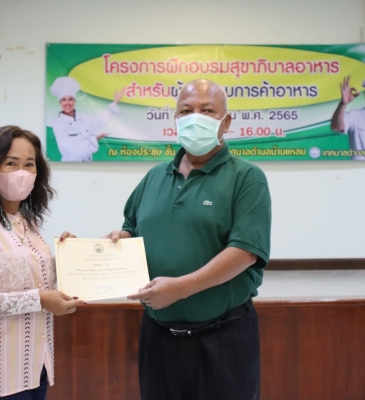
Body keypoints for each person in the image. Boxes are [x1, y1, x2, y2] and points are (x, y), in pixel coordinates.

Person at [104, 79, 271, 400]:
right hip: (159, 336)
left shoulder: (247, 177)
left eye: (207, 111)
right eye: (186, 111)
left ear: (226, 122)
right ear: (176, 119)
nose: (195, 117)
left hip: (223, 337)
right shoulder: (155, 176)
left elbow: (245, 251)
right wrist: (118, 239)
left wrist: (180, 289)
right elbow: (131, 228)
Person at [0, 125, 84, 399]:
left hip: (35, 366)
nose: (22, 172)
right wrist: (38, 299)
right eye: (11, 163)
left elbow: (36, 281)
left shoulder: (28, 223)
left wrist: (69, 259)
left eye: (29, 164)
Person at [48, 76, 125, 162]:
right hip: (70, 166)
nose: (67, 103)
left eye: (70, 99)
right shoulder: (58, 124)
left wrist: (115, 102)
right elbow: (71, 149)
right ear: (59, 102)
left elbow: (101, 120)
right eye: (63, 100)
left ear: (75, 101)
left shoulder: (84, 118)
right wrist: (95, 139)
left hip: (88, 165)